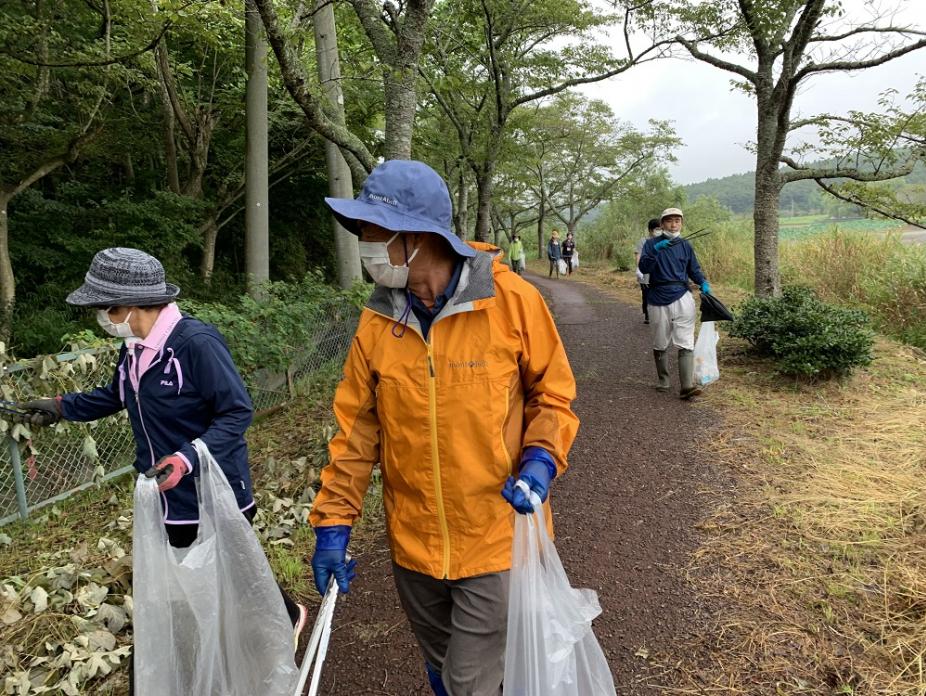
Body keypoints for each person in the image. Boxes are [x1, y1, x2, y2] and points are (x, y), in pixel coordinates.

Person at [310, 160, 579, 696]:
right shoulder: (378, 321)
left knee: (468, 682)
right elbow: (357, 432)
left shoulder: (511, 301)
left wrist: (541, 459)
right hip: (414, 543)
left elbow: (553, 394)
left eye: (371, 232)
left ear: (416, 237)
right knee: (441, 667)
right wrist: (333, 524)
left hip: (496, 534)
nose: (363, 245)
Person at [10, 248, 307, 685]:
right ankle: (211, 642)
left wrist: (188, 457)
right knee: (194, 568)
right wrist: (58, 407)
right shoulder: (133, 350)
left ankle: (287, 615)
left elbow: (237, 412)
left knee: (235, 567)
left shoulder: (195, 345)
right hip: (162, 489)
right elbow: (113, 396)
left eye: (106, 308)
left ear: (135, 304)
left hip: (212, 485)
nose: (103, 318)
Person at [637, 208, 712, 400]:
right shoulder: (651, 244)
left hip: (682, 294)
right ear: (662, 224)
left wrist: (702, 282)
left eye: (677, 221)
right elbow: (643, 267)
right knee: (660, 341)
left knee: (686, 340)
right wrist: (654, 251)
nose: (673, 224)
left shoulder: (685, 244)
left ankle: (686, 386)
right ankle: (664, 380)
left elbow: (693, 268)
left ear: (681, 223)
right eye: (669, 221)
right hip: (657, 296)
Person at [635, 218, 662, 324]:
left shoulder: (663, 241)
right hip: (645, 272)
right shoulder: (643, 241)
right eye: (657, 229)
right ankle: (648, 315)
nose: (659, 231)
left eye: (661, 228)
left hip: (659, 272)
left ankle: (659, 314)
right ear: (650, 230)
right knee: (646, 294)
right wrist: (639, 268)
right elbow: (638, 255)